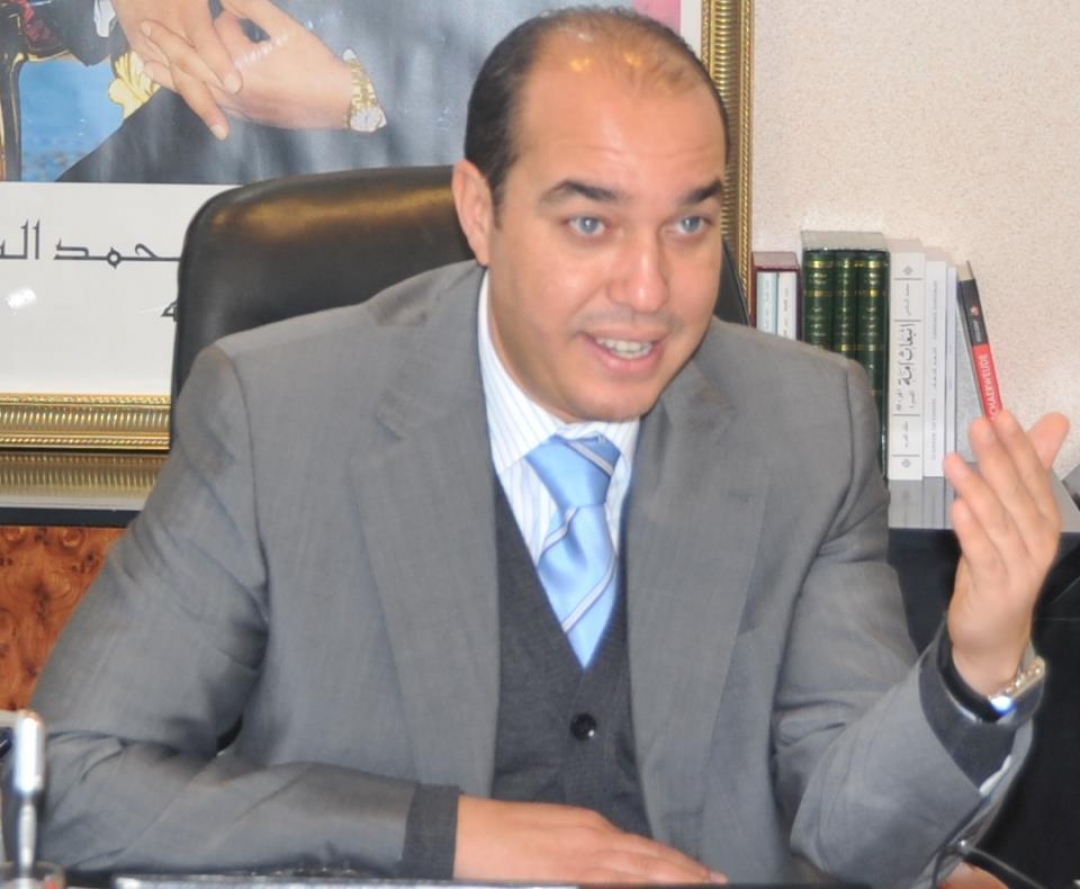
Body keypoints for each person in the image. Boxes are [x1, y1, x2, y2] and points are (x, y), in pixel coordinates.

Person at [32, 8, 1069, 887]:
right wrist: (442, 834)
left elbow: (854, 837)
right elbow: (71, 781)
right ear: (480, 212)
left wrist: (975, 664)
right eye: (589, 224)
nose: (649, 290)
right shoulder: (277, 415)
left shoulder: (807, 425)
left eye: (689, 226)